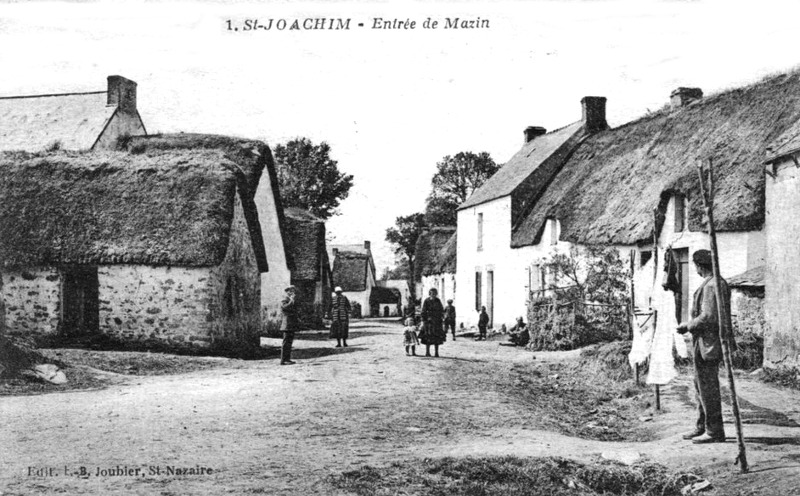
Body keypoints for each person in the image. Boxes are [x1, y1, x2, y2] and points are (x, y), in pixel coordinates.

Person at [676, 249, 729, 444]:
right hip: (703, 342)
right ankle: (702, 425)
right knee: (700, 384)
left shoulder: (712, 285)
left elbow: (708, 317)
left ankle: (714, 431)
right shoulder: (713, 283)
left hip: (710, 343)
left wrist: (688, 325)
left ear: (699, 266)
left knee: (707, 387)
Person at [420, 288, 445, 357]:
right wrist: (423, 320)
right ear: (429, 294)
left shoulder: (438, 301)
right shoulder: (427, 301)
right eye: (431, 293)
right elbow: (423, 311)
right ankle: (427, 352)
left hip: (437, 322)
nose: (433, 295)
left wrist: (441, 317)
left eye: (434, 293)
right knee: (428, 336)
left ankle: (436, 353)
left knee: (436, 337)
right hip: (429, 322)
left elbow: (441, 310)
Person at [280, 286, 298, 365]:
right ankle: (283, 360)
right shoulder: (285, 299)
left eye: (293, 291)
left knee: (289, 342)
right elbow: (284, 307)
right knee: (286, 342)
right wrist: (291, 301)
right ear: (287, 291)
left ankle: (287, 359)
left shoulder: (291, 300)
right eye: (291, 291)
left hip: (291, 323)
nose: (292, 293)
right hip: (287, 324)